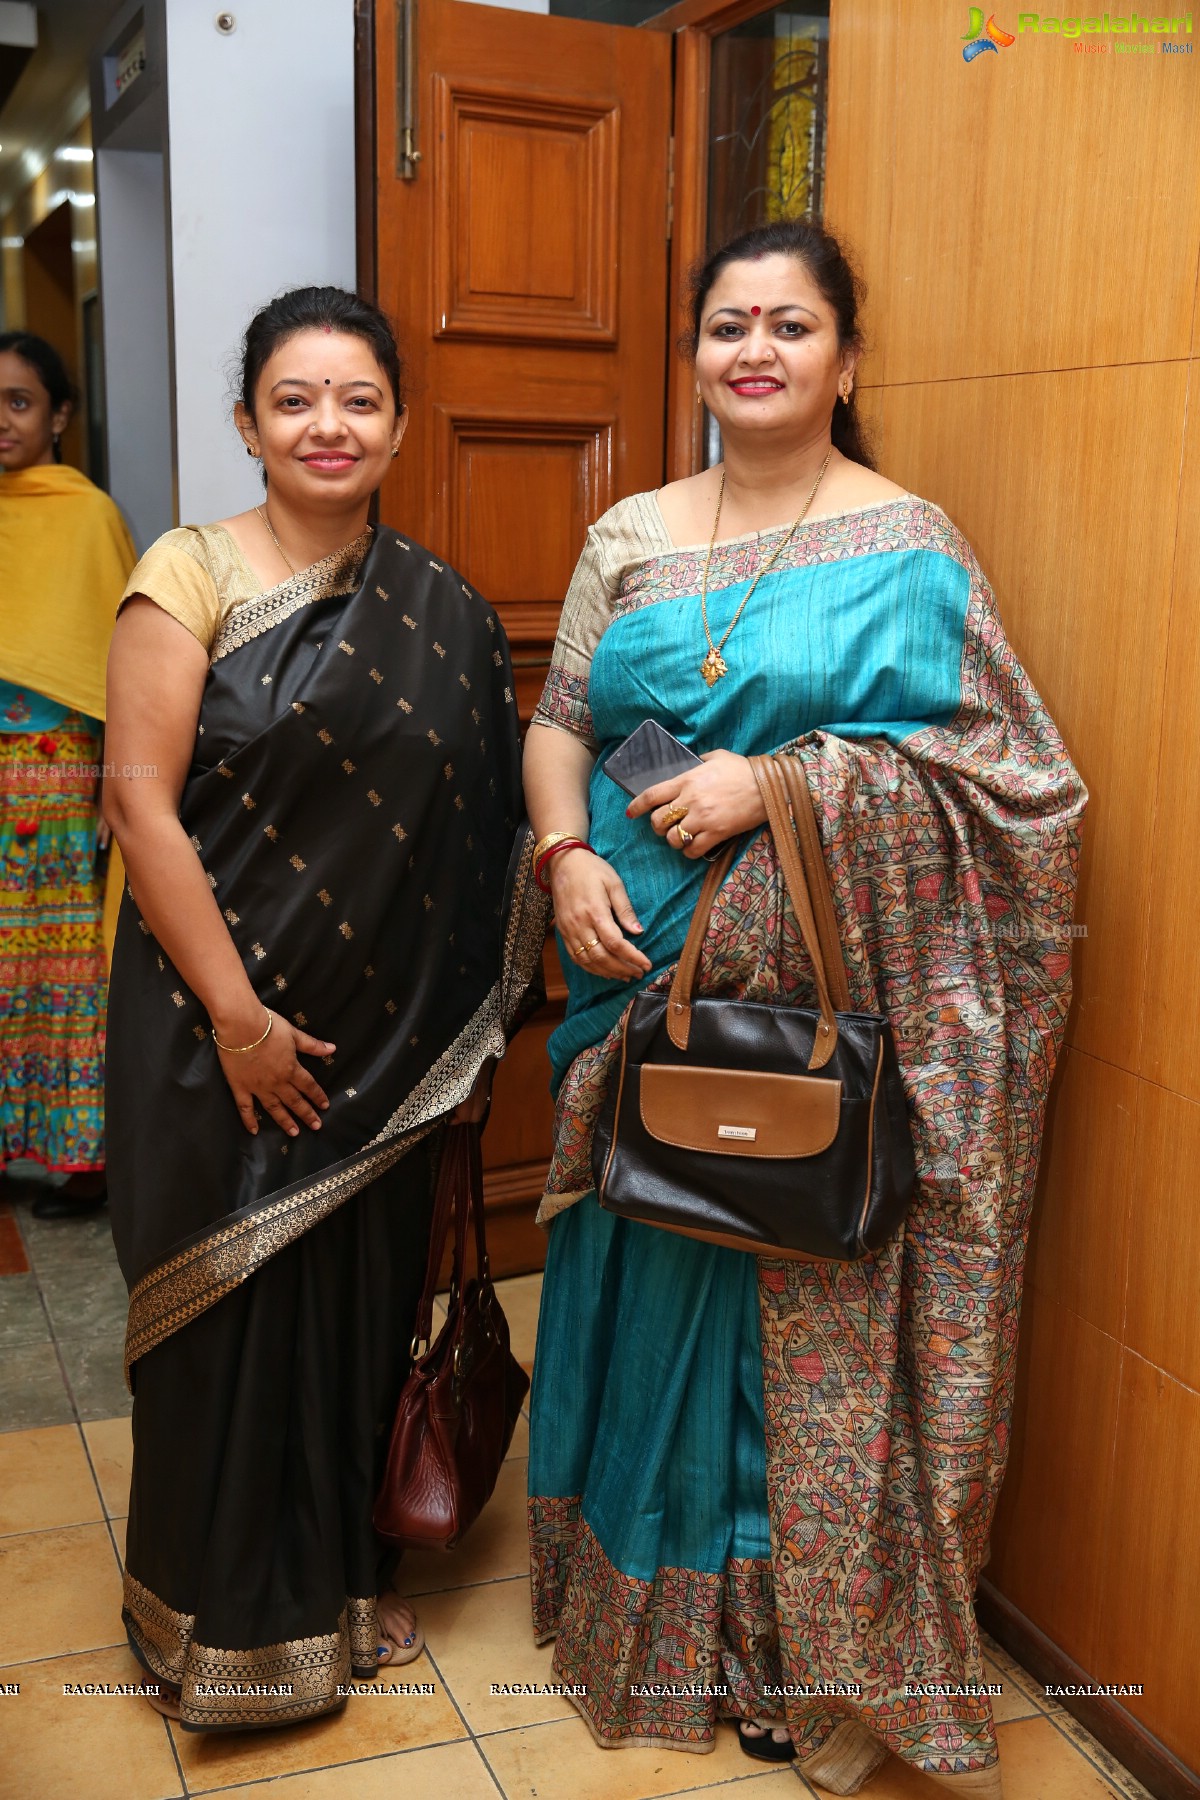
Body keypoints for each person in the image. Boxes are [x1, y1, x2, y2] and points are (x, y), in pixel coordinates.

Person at [522, 219, 1085, 1796]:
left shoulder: (910, 541)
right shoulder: (630, 530)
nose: (752, 350)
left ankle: (787, 1648)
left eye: (788, 324)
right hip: (634, 960)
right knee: (641, 1255)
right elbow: (562, 722)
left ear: (849, 356)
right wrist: (566, 856)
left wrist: (783, 784)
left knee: (789, 1302)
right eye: (725, 326)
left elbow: (1021, 787)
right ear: (694, 353)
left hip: (817, 1010)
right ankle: (633, 1618)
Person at [103, 287, 540, 1731]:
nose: (328, 425)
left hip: (374, 1053)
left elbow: (475, 835)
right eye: (295, 400)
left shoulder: (450, 612)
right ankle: (207, 1614)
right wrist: (238, 1020)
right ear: (247, 424)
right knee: (219, 1327)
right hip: (204, 1029)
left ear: (399, 421)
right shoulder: (188, 573)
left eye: (357, 399)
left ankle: (347, 1586)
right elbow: (139, 804)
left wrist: (456, 1038)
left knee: (357, 1314)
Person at [0, 331, 135, 1218]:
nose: (3, 420)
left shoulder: (87, 517)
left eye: (19, 401)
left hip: (55, 779)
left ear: (59, 417)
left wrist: (114, 787)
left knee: (61, 969)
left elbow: (122, 668)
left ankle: (80, 1159)